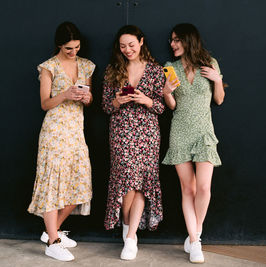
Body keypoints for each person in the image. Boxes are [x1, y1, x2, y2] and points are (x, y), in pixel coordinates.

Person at [27, 21, 95, 261]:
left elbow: (89, 99)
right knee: (52, 185)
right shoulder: (49, 67)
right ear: (59, 45)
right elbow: (45, 103)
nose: (73, 52)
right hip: (54, 131)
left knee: (80, 183)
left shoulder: (86, 66)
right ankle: (53, 241)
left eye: (76, 47)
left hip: (76, 131)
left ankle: (51, 231)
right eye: (68, 48)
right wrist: (65, 94)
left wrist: (86, 97)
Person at [162, 23, 225, 264]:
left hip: (204, 133)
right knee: (187, 189)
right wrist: (167, 92)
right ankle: (195, 241)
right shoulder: (170, 67)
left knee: (204, 188)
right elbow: (172, 106)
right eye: (171, 40)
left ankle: (194, 235)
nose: (173, 44)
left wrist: (217, 80)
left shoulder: (210, 63)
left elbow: (218, 100)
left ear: (189, 40)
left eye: (177, 39)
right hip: (179, 131)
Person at [102, 25, 165, 260]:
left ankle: (130, 237)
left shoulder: (157, 71)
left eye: (131, 44)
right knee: (127, 179)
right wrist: (118, 101)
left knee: (142, 183)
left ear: (141, 42)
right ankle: (130, 230)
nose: (127, 49)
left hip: (147, 132)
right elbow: (106, 107)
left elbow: (162, 107)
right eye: (122, 46)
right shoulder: (112, 70)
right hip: (121, 132)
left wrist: (147, 100)